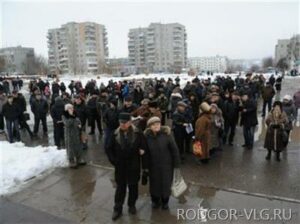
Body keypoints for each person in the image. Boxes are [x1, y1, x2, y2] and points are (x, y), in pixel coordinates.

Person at [106, 113, 148, 221]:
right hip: (120, 166)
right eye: (121, 122)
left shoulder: (138, 133)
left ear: (130, 122)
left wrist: (144, 162)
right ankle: (117, 208)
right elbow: (108, 148)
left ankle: (131, 205)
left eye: (125, 122)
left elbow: (144, 147)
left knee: (133, 187)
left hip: (133, 165)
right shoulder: (114, 134)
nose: (123, 125)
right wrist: (114, 161)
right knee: (120, 188)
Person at [144, 116, 180, 209]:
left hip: (166, 166)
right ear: (150, 127)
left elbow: (174, 150)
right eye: (154, 124)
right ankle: (155, 200)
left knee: (166, 184)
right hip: (153, 166)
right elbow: (145, 153)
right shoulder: (147, 137)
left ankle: (165, 201)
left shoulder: (167, 135)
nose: (156, 126)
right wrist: (145, 167)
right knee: (154, 184)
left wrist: (177, 165)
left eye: (158, 124)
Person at [62, 103, 86, 168]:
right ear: (66, 109)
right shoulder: (64, 116)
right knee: (70, 148)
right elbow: (67, 124)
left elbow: (78, 120)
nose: (71, 109)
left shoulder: (75, 114)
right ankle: (71, 161)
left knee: (78, 146)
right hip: (69, 135)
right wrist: (71, 117)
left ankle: (79, 159)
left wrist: (79, 125)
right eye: (70, 108)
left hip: (76, 133)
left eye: (72, 108)